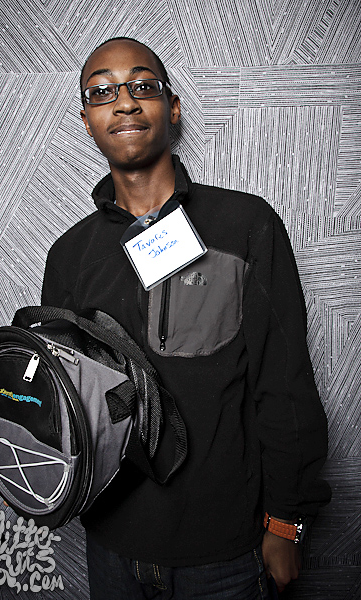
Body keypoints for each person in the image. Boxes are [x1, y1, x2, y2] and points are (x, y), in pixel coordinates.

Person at [41, 37, 331, 599]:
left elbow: (284, 382)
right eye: (102, 91)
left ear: (172, 108)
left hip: (227, 554)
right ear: (87, 120)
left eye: (142, 86)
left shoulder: (246, 224)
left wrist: (286, 521)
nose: (124, 101)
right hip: (112, 548)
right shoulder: (70, 255)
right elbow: (66, 401)